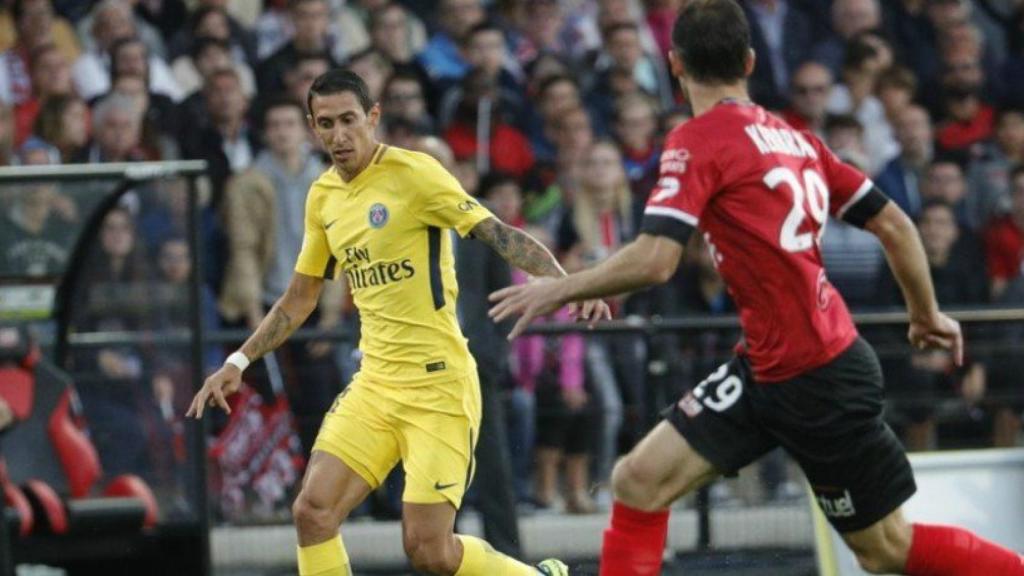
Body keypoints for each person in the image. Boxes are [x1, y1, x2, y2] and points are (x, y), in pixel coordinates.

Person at [488, 2, 1024, 575]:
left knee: (884, 550)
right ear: (748, 61)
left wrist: (560, 289)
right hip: (769, 368)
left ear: (674, 64)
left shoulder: (698, 140)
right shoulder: (797, 140)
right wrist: (925, 312)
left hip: (819, 377)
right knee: (638, 480)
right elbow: (894, 221)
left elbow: (657, 260)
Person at [187, 69, 610, 576]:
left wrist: (566, 284)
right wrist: (239, 359)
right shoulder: (323, 196)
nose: (339, 135)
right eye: (326, 124)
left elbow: (498, 233)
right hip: (376, 384)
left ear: (373, 118)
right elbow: (299, 298)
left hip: (439, 387)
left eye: (349, 120)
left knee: (430, 551)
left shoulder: (415, 174)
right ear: (311, 127)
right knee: (313, 512)